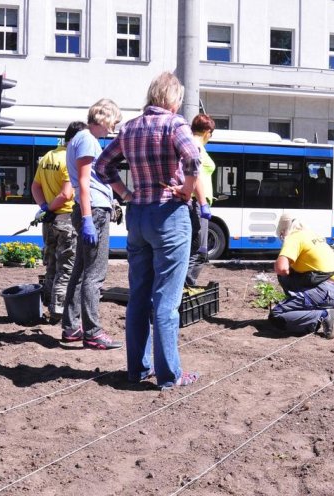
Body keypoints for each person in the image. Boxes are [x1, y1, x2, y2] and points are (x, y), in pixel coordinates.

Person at [95, 72, 204, 390]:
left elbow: (103, 167)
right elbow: (194, 160)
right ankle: (171, 376)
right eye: (180, 99)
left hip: (138, 215)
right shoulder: (175, 124)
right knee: (167, 302)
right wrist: (186, 190)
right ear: (173, 99)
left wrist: (126, 194)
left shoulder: (129, 128)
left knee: (139, 297)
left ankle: (137, 370)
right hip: (169, 215)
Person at [60, 100, 124, 350]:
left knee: (79, 271)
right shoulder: (88, 140)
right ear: (104, 117)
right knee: (95, 274)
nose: (115, 126)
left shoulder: (78, 139)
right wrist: (87, 218)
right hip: (94, 209)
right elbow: (85, 183)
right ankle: (93, 333)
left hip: (88, 208)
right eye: (114, 121)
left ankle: (71, 327)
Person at [32, 122, 82, 321]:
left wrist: (45, 207)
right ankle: (58, 310)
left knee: (51, 265)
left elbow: (35, 187)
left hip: (50, 222)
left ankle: (46, 304)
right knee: (66, 268)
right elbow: (66, 194)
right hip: (66, 218)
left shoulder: (48, 157)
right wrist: (53, 208)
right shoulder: (70, 160)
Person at [268, 214, 334, 339]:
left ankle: (325, 314)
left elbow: (281, 268)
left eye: (281, 235)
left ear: (283, 230)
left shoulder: (294, 237)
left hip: (325, 290)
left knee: (276, 316)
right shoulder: (313, 235)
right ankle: (313, 312)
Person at [185, 113, 217, 288]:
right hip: (197, 203)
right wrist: (203, 203)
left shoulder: (196, 146)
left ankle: (186, 286)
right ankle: (186, 288)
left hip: (198, 203)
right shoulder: (196, 147)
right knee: (199, 252)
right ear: (207, 131)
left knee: (197, 251)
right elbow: (194, 175)